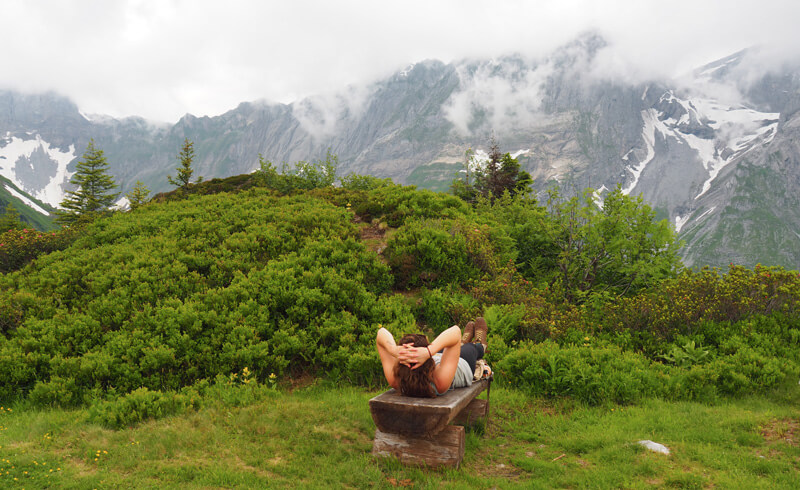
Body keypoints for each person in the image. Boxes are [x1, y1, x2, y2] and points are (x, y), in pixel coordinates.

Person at [376, 318, 488, 397]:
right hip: (462, 364)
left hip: (438, 359)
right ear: (427, 361)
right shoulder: (440, 381)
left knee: (448, 346)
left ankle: (461, 342)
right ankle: (479, 344)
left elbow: (381, 332)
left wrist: (393, 349)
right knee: (470, 348)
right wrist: (429, 351)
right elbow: (455, 331)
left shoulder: (396, 379)